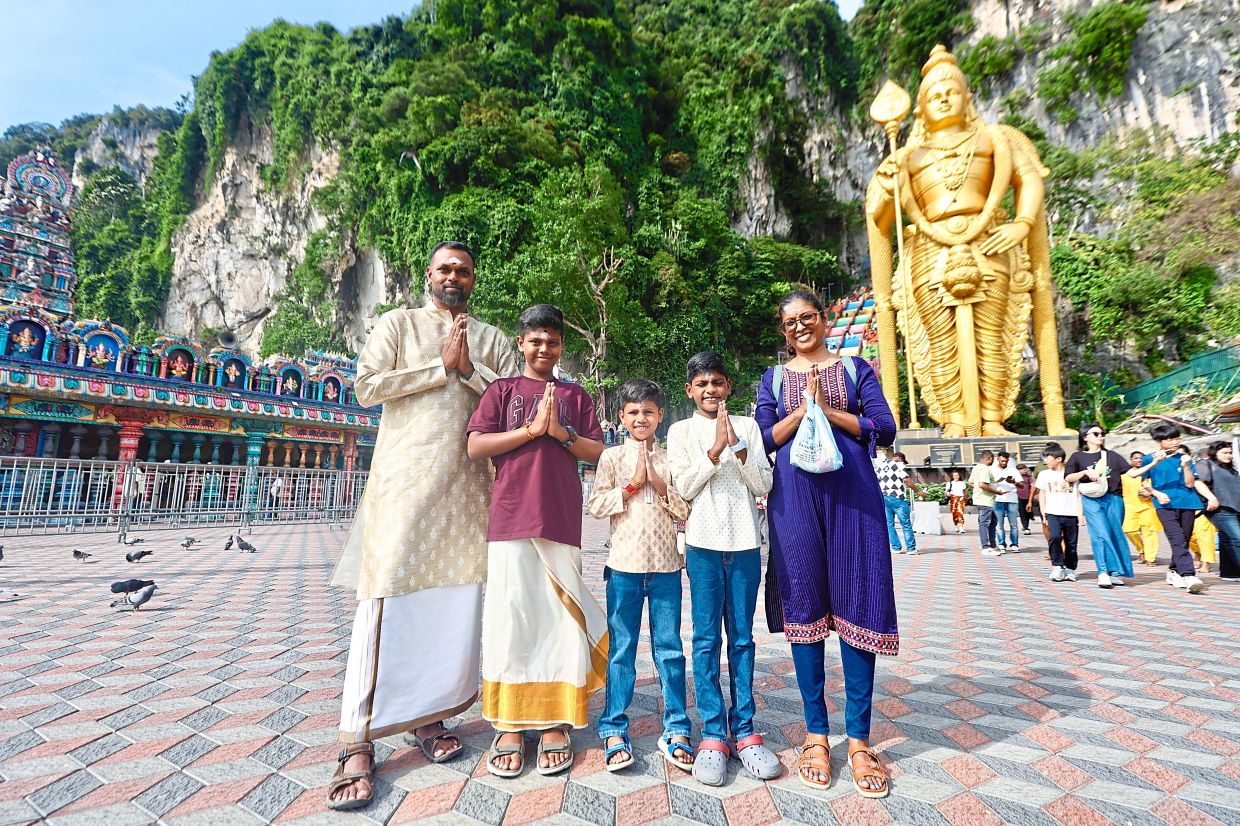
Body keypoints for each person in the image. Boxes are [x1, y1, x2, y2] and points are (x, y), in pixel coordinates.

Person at [328, 241, 520, 811]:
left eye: (463, 269)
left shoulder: (494, 340)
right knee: (384, 600)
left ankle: (428, 716)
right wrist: (439, 365)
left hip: (467, 489)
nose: (454, 276)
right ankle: (356, 740)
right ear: (429, 276)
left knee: (453, 605)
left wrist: (469, 370)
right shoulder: (397, 324)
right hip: (405, 483)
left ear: (474, 278)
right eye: (445, 269)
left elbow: (512, 405)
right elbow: (366, 387)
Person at [756, 290, 898, 798]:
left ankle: (859, 739)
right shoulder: (772, 379)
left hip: (854, 499)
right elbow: (762, 438)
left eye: (807, 317)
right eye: (790, 321)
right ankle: (816, 733)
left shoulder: (857, 368)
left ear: (823, 319)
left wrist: (830, 410)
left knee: (860, 603)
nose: (799, 327)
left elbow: (885, 427)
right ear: (783, 329)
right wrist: (802, 413)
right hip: (794, 502)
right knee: (805, 610)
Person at [466, 304, 607, 777]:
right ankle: (508, 722)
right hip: (509, 518)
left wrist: (560, 434)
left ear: (562, 345)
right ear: (520, 344)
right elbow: (475, 445)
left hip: (560, 517)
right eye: (535, 340)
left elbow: (597, 453)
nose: (544, 347)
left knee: (558, 617)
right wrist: (529, 430)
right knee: (510, 614)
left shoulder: (576, 395)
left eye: (552, 340)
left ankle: (554, 721)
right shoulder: (501, 391)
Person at [667, 352, 778, 786]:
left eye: (718, 382)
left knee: (744, 639)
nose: (710, 390)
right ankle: (714, 733)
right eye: (702, 384)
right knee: (706, 638)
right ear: (689, 390)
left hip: (747, 546)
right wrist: (714, 450)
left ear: (729, 386)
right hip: (703, 546)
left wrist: (742, 448)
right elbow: (684, 488)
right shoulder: (679, 431)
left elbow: (764, 484)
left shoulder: (749, 425)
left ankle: (746, 730)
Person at [588, 379, 692, 773]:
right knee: (621, 650)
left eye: (648, 411)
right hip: (624, 569)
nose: (641, 418)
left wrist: (659, 484)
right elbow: (597, 504)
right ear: (621, 417)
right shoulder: (612, 458)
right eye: (633, 412)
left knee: (669, 649)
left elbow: (684, 510)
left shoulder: (670, 458)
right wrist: (632, 485)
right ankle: (614, 728)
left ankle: (677, 728)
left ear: (661, 415)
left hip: (666, 569)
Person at [1128, 424, 1205, 594]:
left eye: (1177, 438)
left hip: (1187, 502)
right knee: (1176, 538)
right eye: (1169, 439)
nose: (1174, 442)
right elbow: (1137, 477)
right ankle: (1188, 575)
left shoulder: (1184, 458)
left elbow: (1190, 483)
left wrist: (1186, 466)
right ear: (1159, 441)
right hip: (1164, 504)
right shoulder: (1150, 458)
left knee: (1183, 539)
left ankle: (1173, 571)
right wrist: (1156, 493)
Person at [1065, 423, 1133, 589]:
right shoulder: (1077, 457)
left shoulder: (1112, 456)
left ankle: (1115, 572)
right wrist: (1085, 473)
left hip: (1114, 498)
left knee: (1115, 534)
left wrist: (1154, 463)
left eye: (1102, 433)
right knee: (1100, 535)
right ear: (1085, 437)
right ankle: (1102, 572)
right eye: (1096, 433)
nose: (1100, 436)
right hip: (1092, 499)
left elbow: (1132, 472)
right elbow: (1068, 477)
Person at [1035, 444, 1081, 582]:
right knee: (1054, 538)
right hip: (1052, 512)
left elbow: (1078, 495)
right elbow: (1042, 494)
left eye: (1048, 457)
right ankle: (1057, 566)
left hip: (1071, 512)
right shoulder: (1044, 474)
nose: (1046, 461)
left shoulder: (1071, 474)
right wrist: (1043, 513)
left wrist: (1080, 514)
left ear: (1059, 458)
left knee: (1071, 543)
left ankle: (1070, 568)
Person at [1195, 441, 1240, 580]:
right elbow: (1198, 482)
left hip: (1234, 508)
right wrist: (1211, 498)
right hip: (1220, 509)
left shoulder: (1230, 469)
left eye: (1230, 452)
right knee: (1237, 539)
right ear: (1215, 453)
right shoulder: (1206, 464)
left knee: (1227, 539)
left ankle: (1229, 572)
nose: (1229, 455)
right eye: (1225, 453)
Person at [876, 451, 921, 554]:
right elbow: (907, 481)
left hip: (884, 498)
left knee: (889, 525)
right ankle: (911, 548)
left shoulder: (881, 466)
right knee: (905, 524)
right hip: (897, 498)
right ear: (900, 458)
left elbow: (877, 482)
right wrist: (919, 491)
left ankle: (896, 547)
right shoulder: (899, 464)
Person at [1122, 450, 1161, 566]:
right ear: (1131, 460)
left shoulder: (1151, 474)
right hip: (1129, 507)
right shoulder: (1124, 476)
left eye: (1141, 458)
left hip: (1147, 507)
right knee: (1129, 530)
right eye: (1136, 458)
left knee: (1150, 533)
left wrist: (1150, 494)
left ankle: (1150, 558)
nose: (1139, 460)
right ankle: (1142, 550)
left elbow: (1158, 489)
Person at [969, 452, 1002, 555]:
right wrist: (997, 492)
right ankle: (985, 547)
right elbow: (983, 484)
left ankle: (992, 545)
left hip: (982, 499)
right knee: (985, 523)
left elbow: (970, 482)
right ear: (991, 459)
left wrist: (979, 489)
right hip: (985, 500)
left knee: (993, 521)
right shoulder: (985, 469)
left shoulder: (976, 468)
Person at [991, 452, 1022, 552]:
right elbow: (987, 484)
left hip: (1012, 499)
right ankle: (1001, 544)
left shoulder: (1013, 470)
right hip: (998, 499)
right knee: (999, 524)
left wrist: (1013, 482)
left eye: (1006, 461)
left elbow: (1022, 485)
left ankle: (1014, 544)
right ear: (998, 460)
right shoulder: (992, 470)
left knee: (1013, 524)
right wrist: (997, 481)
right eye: (1002, 461)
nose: (1004, 463)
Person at [1016, 462, 1036, 536]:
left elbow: (1033, 485)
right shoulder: (1015, 477)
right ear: (1018, 470)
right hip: (1018, 497)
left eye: (1025, 469)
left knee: (1027, 512)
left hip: (1027, 497)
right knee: (1022, 513)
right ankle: (1026, 527)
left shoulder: (1028, 477)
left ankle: (1026, 524)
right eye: (1022, 469)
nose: (1025, 471)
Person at [946, 469, 967, 534]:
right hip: (953, 499)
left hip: (961, 499)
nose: (956, 476)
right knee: (954, 513)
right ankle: (956, 525)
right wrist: (947, 494)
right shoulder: (949, 483)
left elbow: (964, 492)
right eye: (955, 475)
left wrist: (965, 498)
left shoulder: (962, 483)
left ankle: (961, 527)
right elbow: (946, 491)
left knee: (960, 512)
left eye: (957, 475)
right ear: (952, 476)